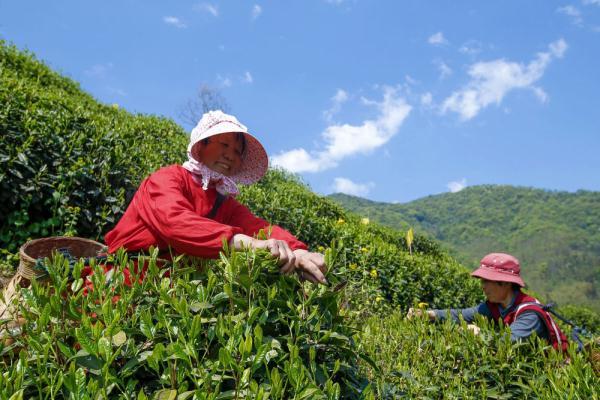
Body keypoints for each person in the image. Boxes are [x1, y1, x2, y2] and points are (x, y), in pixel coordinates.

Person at [104, 110, 327, 284]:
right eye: (224, 144)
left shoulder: (224, 202)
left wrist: (298, 250)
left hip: (170, 297)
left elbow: (258, 227)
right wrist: (252, 244)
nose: (230, 155)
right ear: (202, 146)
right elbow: (176, 223)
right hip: (123, 284)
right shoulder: (167, 178)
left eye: (238, 152)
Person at [407, 253, 568, 351]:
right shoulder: (495, 306)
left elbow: (508, 342)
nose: (482, 286)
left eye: (486, 281)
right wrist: (429, 314)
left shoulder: (529, 314)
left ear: (505, 283)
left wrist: (480, 333)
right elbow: (462, 315)